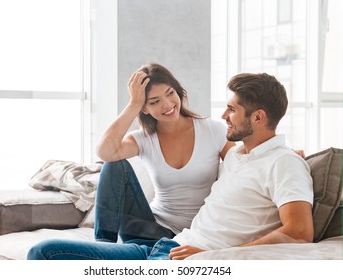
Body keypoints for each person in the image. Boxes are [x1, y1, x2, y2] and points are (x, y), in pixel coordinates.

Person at [27, 72, 314, 260]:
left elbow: (300, 232)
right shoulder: (240, 155)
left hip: (188, 256)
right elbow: (107, 151)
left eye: (232, 109)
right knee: (44, 251)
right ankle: (105, 243)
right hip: (165, 245)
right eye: (153, 101)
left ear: (258, 117)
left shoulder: (282, 163)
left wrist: (213, 256)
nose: (224, 115)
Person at [93, 63, 234, 244]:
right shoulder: (144, 139)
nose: (167, 104)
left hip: (199, 233)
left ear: (178, 92)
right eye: (154, 102)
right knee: (114, 164)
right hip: (152, 229)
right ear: (144, 109)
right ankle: (104, 247)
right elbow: (105, 153)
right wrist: (133, 104)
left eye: (170, 93)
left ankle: (140, 252)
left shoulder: (213, 130)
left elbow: (240, 171)